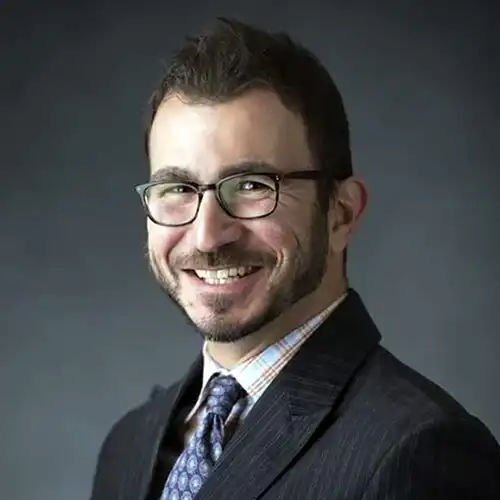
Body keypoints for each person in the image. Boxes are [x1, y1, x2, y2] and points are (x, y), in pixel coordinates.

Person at [89, 17, 500, 500]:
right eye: (178, 188)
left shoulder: (421, 451)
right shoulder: (129, 446)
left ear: (341, 214)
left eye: (251, 186)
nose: (206, 236)